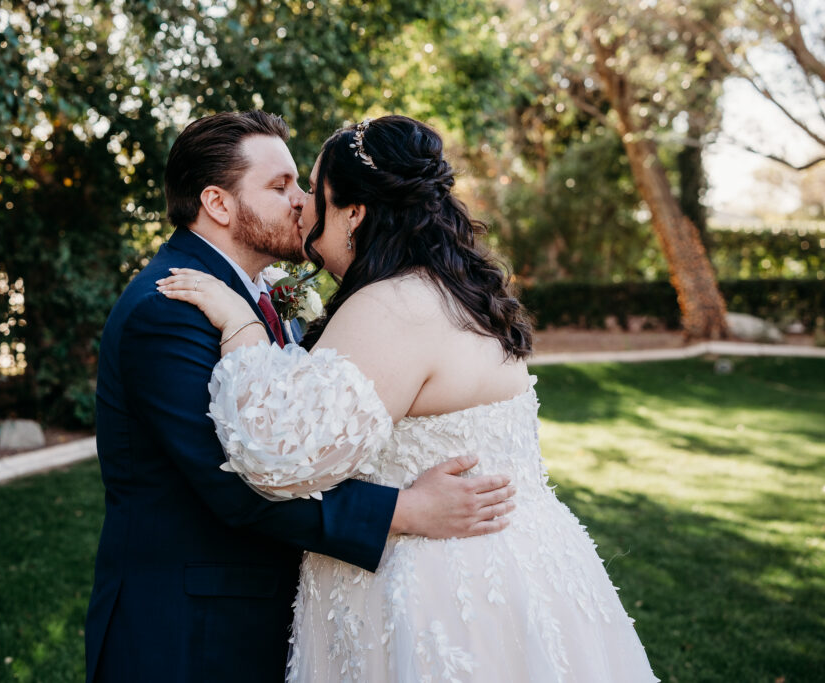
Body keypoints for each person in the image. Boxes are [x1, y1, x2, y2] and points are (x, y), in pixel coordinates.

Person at [159, 115, 658, 681]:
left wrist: (240, 326)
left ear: (354, 212)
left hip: (437, 588)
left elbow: (275, 455)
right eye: (286, 189)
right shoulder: (458, 290)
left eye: (312, 190)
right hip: (518, 567)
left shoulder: (392, 305)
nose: (300, 206)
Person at [84, 110, 518, 683]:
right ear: (217, 204)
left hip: (263, 614)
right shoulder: (169, 307)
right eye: (280, 186)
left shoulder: (261, 295)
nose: (301, 201)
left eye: (302, 184)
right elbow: (234, 481)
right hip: (190, 631)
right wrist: (405, 511)